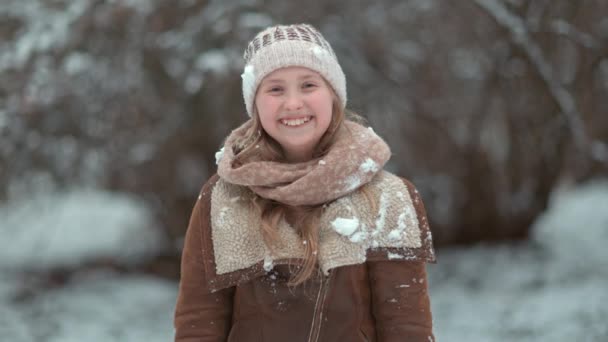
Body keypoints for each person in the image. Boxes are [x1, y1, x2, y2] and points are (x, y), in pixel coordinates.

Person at [174, 23, 436, 342]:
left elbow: (406, 327)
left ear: (333, 95)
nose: (293, 103)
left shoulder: (388, 197)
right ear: (255, 103)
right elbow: (198, 324)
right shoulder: (222, 198)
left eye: (308, 85)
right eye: (275, 89)